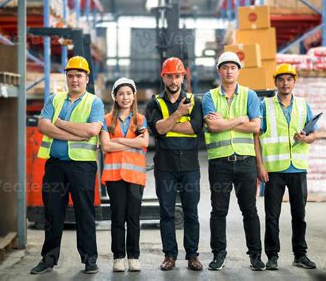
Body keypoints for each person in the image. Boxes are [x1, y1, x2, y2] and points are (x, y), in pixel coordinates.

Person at [31, 56, 104, 275]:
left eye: (79, 76)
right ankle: (48, 258)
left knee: (84, 213)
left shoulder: (94, 102)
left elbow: (91, 131)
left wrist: (60, 123)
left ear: (86, 79)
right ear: (66, 77)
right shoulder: (55, 99)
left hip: (82, 167)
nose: (74, 80)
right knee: (53, 214)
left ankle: (89, 260)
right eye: (70, 76)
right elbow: (43, 126)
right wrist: (74, 134)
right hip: (55, 167)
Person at [202, 51, 265, 271]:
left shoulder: (250, 95)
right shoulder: (209, 97)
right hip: (220, 162)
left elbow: (256, 127)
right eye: (225, 67)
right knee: (218, 211)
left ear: (238, 71)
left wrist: (226, 122)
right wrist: (240, 119)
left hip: (245, 161)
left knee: (250, 210)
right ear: (219, 70)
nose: (229, 71)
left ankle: (255, 256)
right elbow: (213, 126)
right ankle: (219, 254)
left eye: (233, 67)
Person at [254, 63, 317, 270]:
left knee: (299, 215)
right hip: (274, 169)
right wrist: (260, 165)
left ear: (294, 82)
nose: (285, 83)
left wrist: (305, 139)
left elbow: (313, 135)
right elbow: (256, 135)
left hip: (297, 168)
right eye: (281, 79)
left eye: (289, 79)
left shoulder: (303, 105)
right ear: (275, 83)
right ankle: (272, 256)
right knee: (272, 216)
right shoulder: (265, 105)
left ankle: (300, 254)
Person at [145, 57, 203, 271]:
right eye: (169, 76)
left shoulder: (195, 102)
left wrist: (167, 125)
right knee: (166, 213)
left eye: (177, 76)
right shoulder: (154, 103)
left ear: (183, 77)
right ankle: (170, 255)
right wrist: (179, 115)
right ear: (163, 77)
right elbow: (157, 130)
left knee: (191, 212)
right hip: (165, 167)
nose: (173, 80)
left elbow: (195, 128)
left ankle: (193, 255)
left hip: (189, 166)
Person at [99, 77, 149, 272]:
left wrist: (117, 141)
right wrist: (131, 141)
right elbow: (105, 146)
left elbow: (144, 143)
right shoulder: (106, 120)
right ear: (115, 97)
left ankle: (134, 256)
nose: (125, 97)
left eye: (128, 93)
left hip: (135, 177)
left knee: (133, 217)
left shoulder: (141, 120)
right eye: (121, 94)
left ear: (134, 96)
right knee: (118, 217)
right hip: (114, 177)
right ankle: (118, 257)